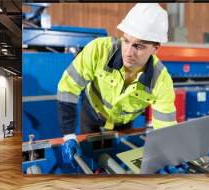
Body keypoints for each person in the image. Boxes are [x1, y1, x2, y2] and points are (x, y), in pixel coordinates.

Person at [57, 3, 177, 167]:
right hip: (92, 114)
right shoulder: (99, 51)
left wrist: (170, 152)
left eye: (138, 46)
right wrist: (69, 135)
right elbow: (67, 89)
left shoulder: (161, 81)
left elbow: (165, 128)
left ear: (155, 48)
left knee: (117, 162)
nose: (128, 52)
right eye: (126, 41)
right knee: (91, 161)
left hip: (123, 125)